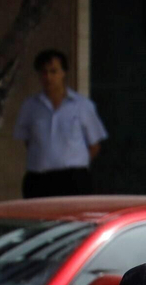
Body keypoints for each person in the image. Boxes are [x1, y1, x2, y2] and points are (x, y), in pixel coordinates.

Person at [13, 48, 107, 199]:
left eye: (53, 71)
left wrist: (75, 161)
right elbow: (28, 141)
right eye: (44, 72)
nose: (48, 77)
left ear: (63, 73)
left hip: (74, 179)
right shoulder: (30, 106)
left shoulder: (82, 106)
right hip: (39, 179)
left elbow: (94, 145)